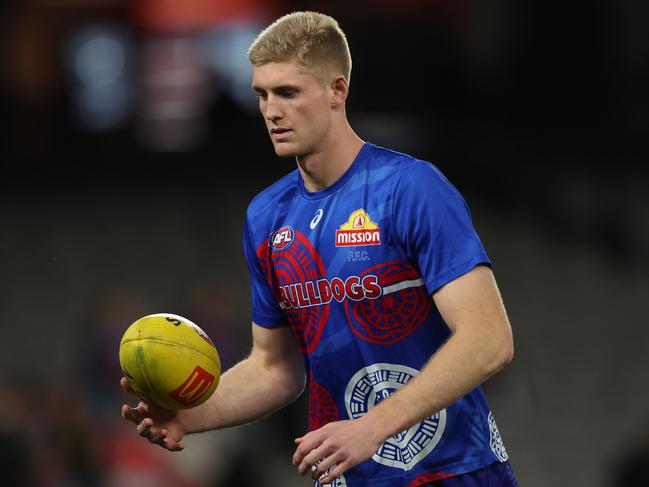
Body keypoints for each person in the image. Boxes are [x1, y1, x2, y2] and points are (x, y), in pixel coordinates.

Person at [121, 11, 518, 487]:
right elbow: (275, 368)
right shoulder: (266, 218)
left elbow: (489, 339)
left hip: (452, 472)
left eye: (288, 92)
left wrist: (373, 427)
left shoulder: (410, 188)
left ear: (337, 90)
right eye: (262, 94)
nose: (271, 110)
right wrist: (193, 415)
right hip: (346, 477)